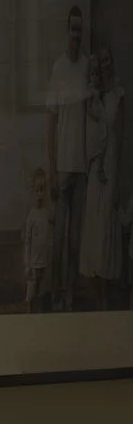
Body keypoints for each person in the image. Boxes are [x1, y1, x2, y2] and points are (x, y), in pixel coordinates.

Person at [44, 4, 93, 280]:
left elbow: (93, 117)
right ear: (67, 31)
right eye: (72, 28)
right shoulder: (59, 68)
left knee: (75, 238)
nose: (76, 34)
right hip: (62, 166)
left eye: (79, 29)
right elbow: (51, 125)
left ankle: (71, 293)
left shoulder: (88, 67)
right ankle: (55, 293)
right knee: (59, 237)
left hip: (81, 166)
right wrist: (52, 171)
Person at [77, 43, 126, 305]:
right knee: (95, 223)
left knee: (108, 218)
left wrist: (118, 178)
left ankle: (108, 292)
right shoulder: (93, 97)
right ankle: (97, 296)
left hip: (113, 164)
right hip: (98, 167)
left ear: (112, 63)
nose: (105, 65)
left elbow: (121, 137)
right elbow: (92, 135)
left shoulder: (118, 95)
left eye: (108, 61)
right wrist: (96, 165)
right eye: (101, 62)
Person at [19, 170, 57, 312]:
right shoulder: (32, 215)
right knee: (32, 286)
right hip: (33, 259)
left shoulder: (46, 213)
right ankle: (28, 307)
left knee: (40, 286)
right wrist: (27, 265)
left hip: (43, 257)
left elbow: (52, 221)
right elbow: (27, 241)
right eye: (37, 191)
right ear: (33, 192)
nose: (39, 194)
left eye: (42, 190)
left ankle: (37, 309)